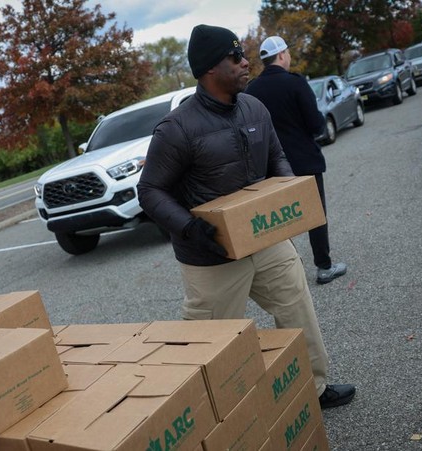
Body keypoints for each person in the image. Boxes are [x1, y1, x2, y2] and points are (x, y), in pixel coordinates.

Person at [137, 24, 355, 409]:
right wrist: (189, 227)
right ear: (209, 70)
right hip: (211, 255)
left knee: (296, 304)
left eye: (243, 54)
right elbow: (150, 190)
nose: (244, 62)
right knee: (211, 340)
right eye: (234, 57)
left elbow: (276, 157)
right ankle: (211, 415)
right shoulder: (177, 128)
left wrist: (285, 193)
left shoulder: (255, 106)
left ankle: (314, 387)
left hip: (264, 237)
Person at [244, 36, 347, 285]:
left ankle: (286, 273)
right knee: (315, 215)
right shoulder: (296, 83)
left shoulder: (251, 91)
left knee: (279, 222)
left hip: (271, 169)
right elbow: (315, 124)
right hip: (304, 163)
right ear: (282, 55)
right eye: (287, 53)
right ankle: (324, 267)